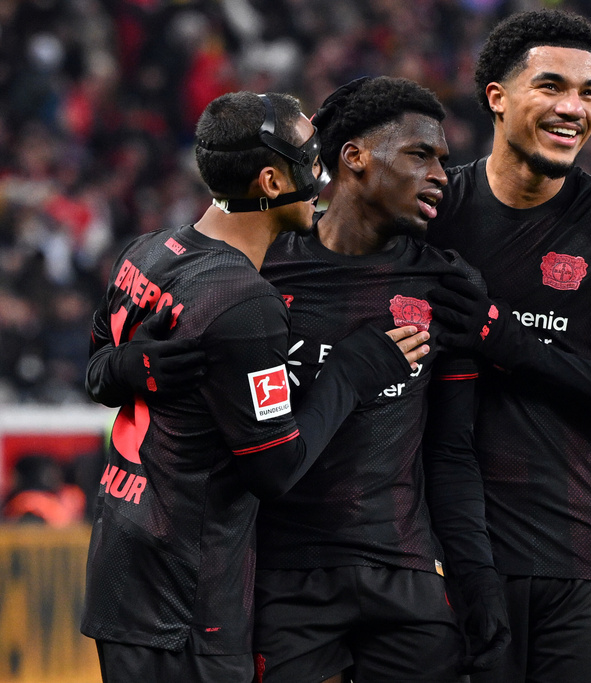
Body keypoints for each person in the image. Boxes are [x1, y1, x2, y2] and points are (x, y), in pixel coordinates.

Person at [80, 91, 429, 683]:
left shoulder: (148, 252)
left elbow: (95, 372)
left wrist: (131, 368)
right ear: (270, 179)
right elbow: (275, 468)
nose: (321, 178)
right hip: (186, 597)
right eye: (310, 162)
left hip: (122, 572)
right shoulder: (245, 303)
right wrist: (353, 371)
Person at [424, 10, 591, 683]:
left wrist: (509, 344)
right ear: (497, 97)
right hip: (447, 556)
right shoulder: (434, 212)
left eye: (590, 92)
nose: (574, 108)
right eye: (551, 86)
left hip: (579, 559)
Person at [251, 76, 506, 683]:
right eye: (421, 155)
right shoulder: (262, 269)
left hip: (407, 579)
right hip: (286, 580)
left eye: (444, 160)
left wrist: (477, 580)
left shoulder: (448, 285)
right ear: (355, 157)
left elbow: (450, 452)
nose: (442, 175)